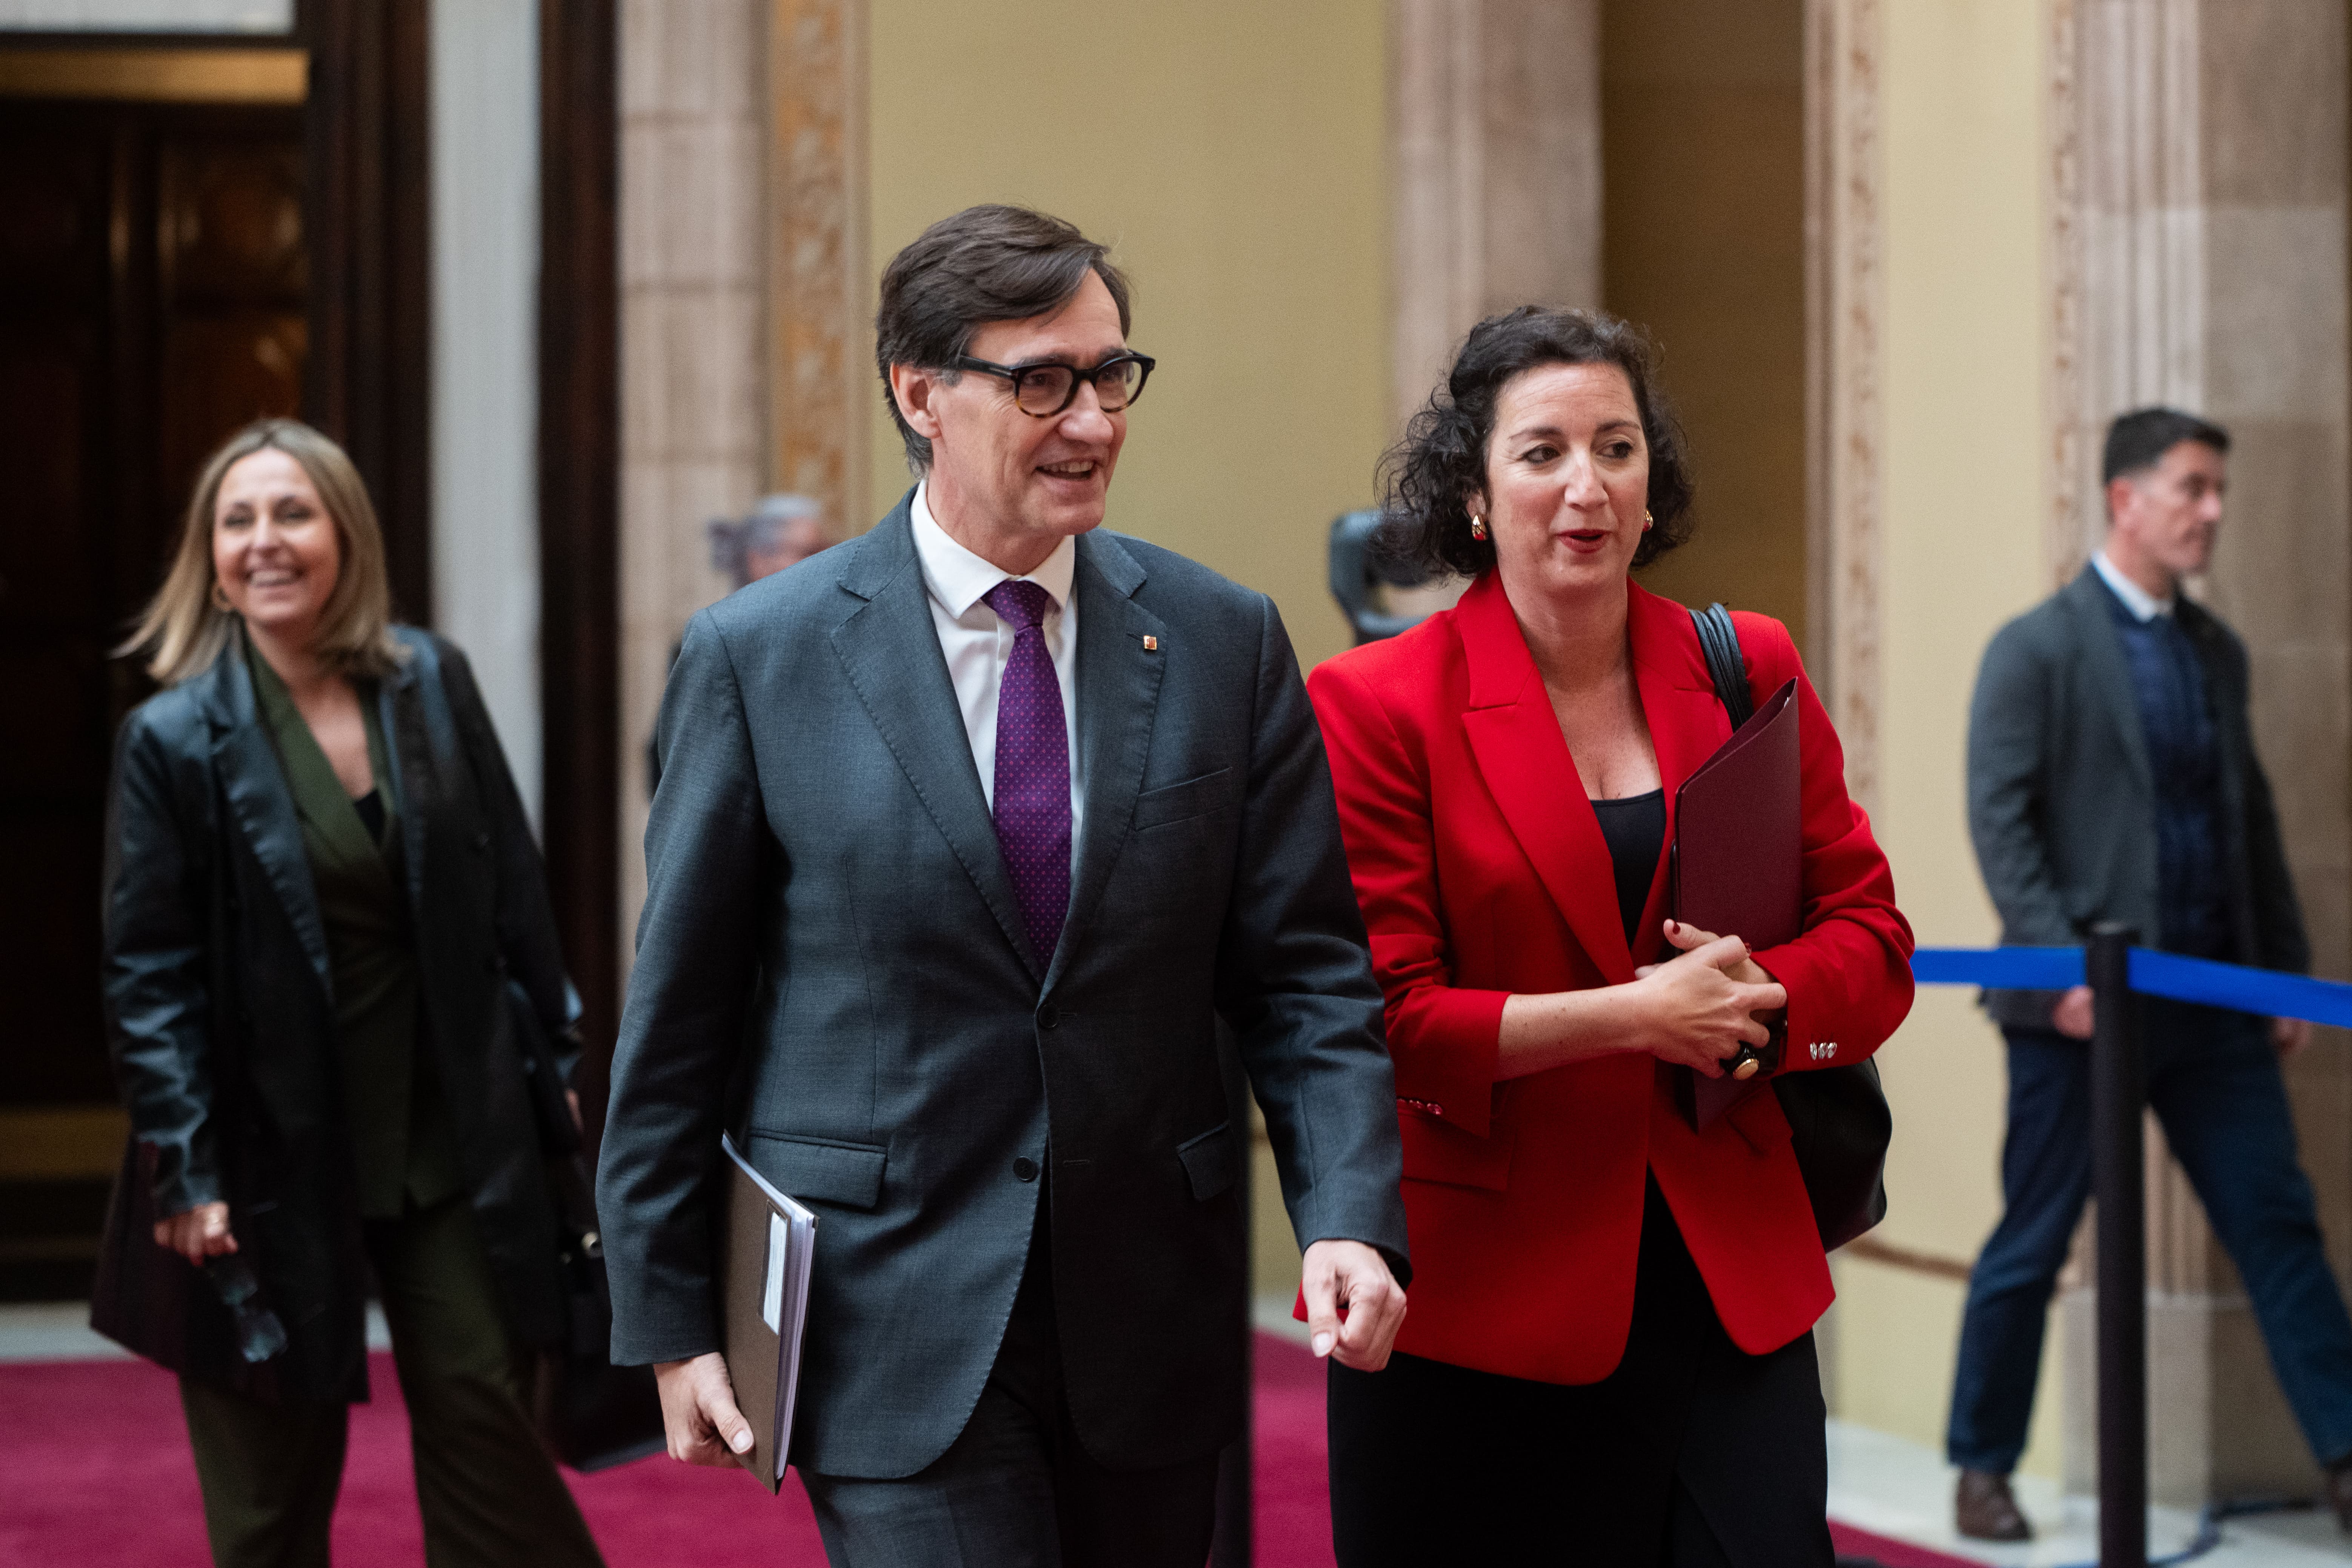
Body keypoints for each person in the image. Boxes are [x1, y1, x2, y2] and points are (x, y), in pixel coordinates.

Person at [596, 203, 1411, 1567]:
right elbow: (677, 1019)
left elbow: (1306, 979)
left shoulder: (1224, 641)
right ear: (919, 393)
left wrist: (1346, 1216)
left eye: (1110, 376)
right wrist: (674, 1319)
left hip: (1147, 1316)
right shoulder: (763, 658)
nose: (1090, 418)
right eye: (1041, 380)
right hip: (888, 1316)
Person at [1306, 306, 1915, 1566]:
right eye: (1540, 453)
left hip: (1725, 1282)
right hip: (1484, 1299)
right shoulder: (1375, 704)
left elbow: (1871, 939)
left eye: (1616, 449)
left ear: (1651, 486)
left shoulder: (1745, 663)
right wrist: (1642, 1017)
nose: (1584, 487)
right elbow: (1390, 1020)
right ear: (1472, 495)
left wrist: (1762, 1003)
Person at [89, 419, 605, 1568]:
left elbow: (511, 882)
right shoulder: (171, 739)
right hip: (259, 1153)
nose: (265, 541)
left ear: (344, 535)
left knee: (486, 1415)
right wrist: (185, 1161)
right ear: (209, 555)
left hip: (442, 1131)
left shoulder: (429, 682)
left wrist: (557, 1061)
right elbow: (147, 972)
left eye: (292, 513)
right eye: (238, 520)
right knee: (271, 1488)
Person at [1950, 407, 2352, 1541]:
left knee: (2278, 1225)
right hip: (2077, 1011)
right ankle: (1980, 1463)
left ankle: (2346, 1454)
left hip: (2215, 1005)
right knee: (2032, 1237)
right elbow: (2000, 820)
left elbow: (2250, 821)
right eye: (2191, 488)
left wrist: (2278, 974)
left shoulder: (2215, 651)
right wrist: (2060, 961)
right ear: (2125, 498)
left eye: (2215, 491)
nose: (2211, 511)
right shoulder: (2032, 648)